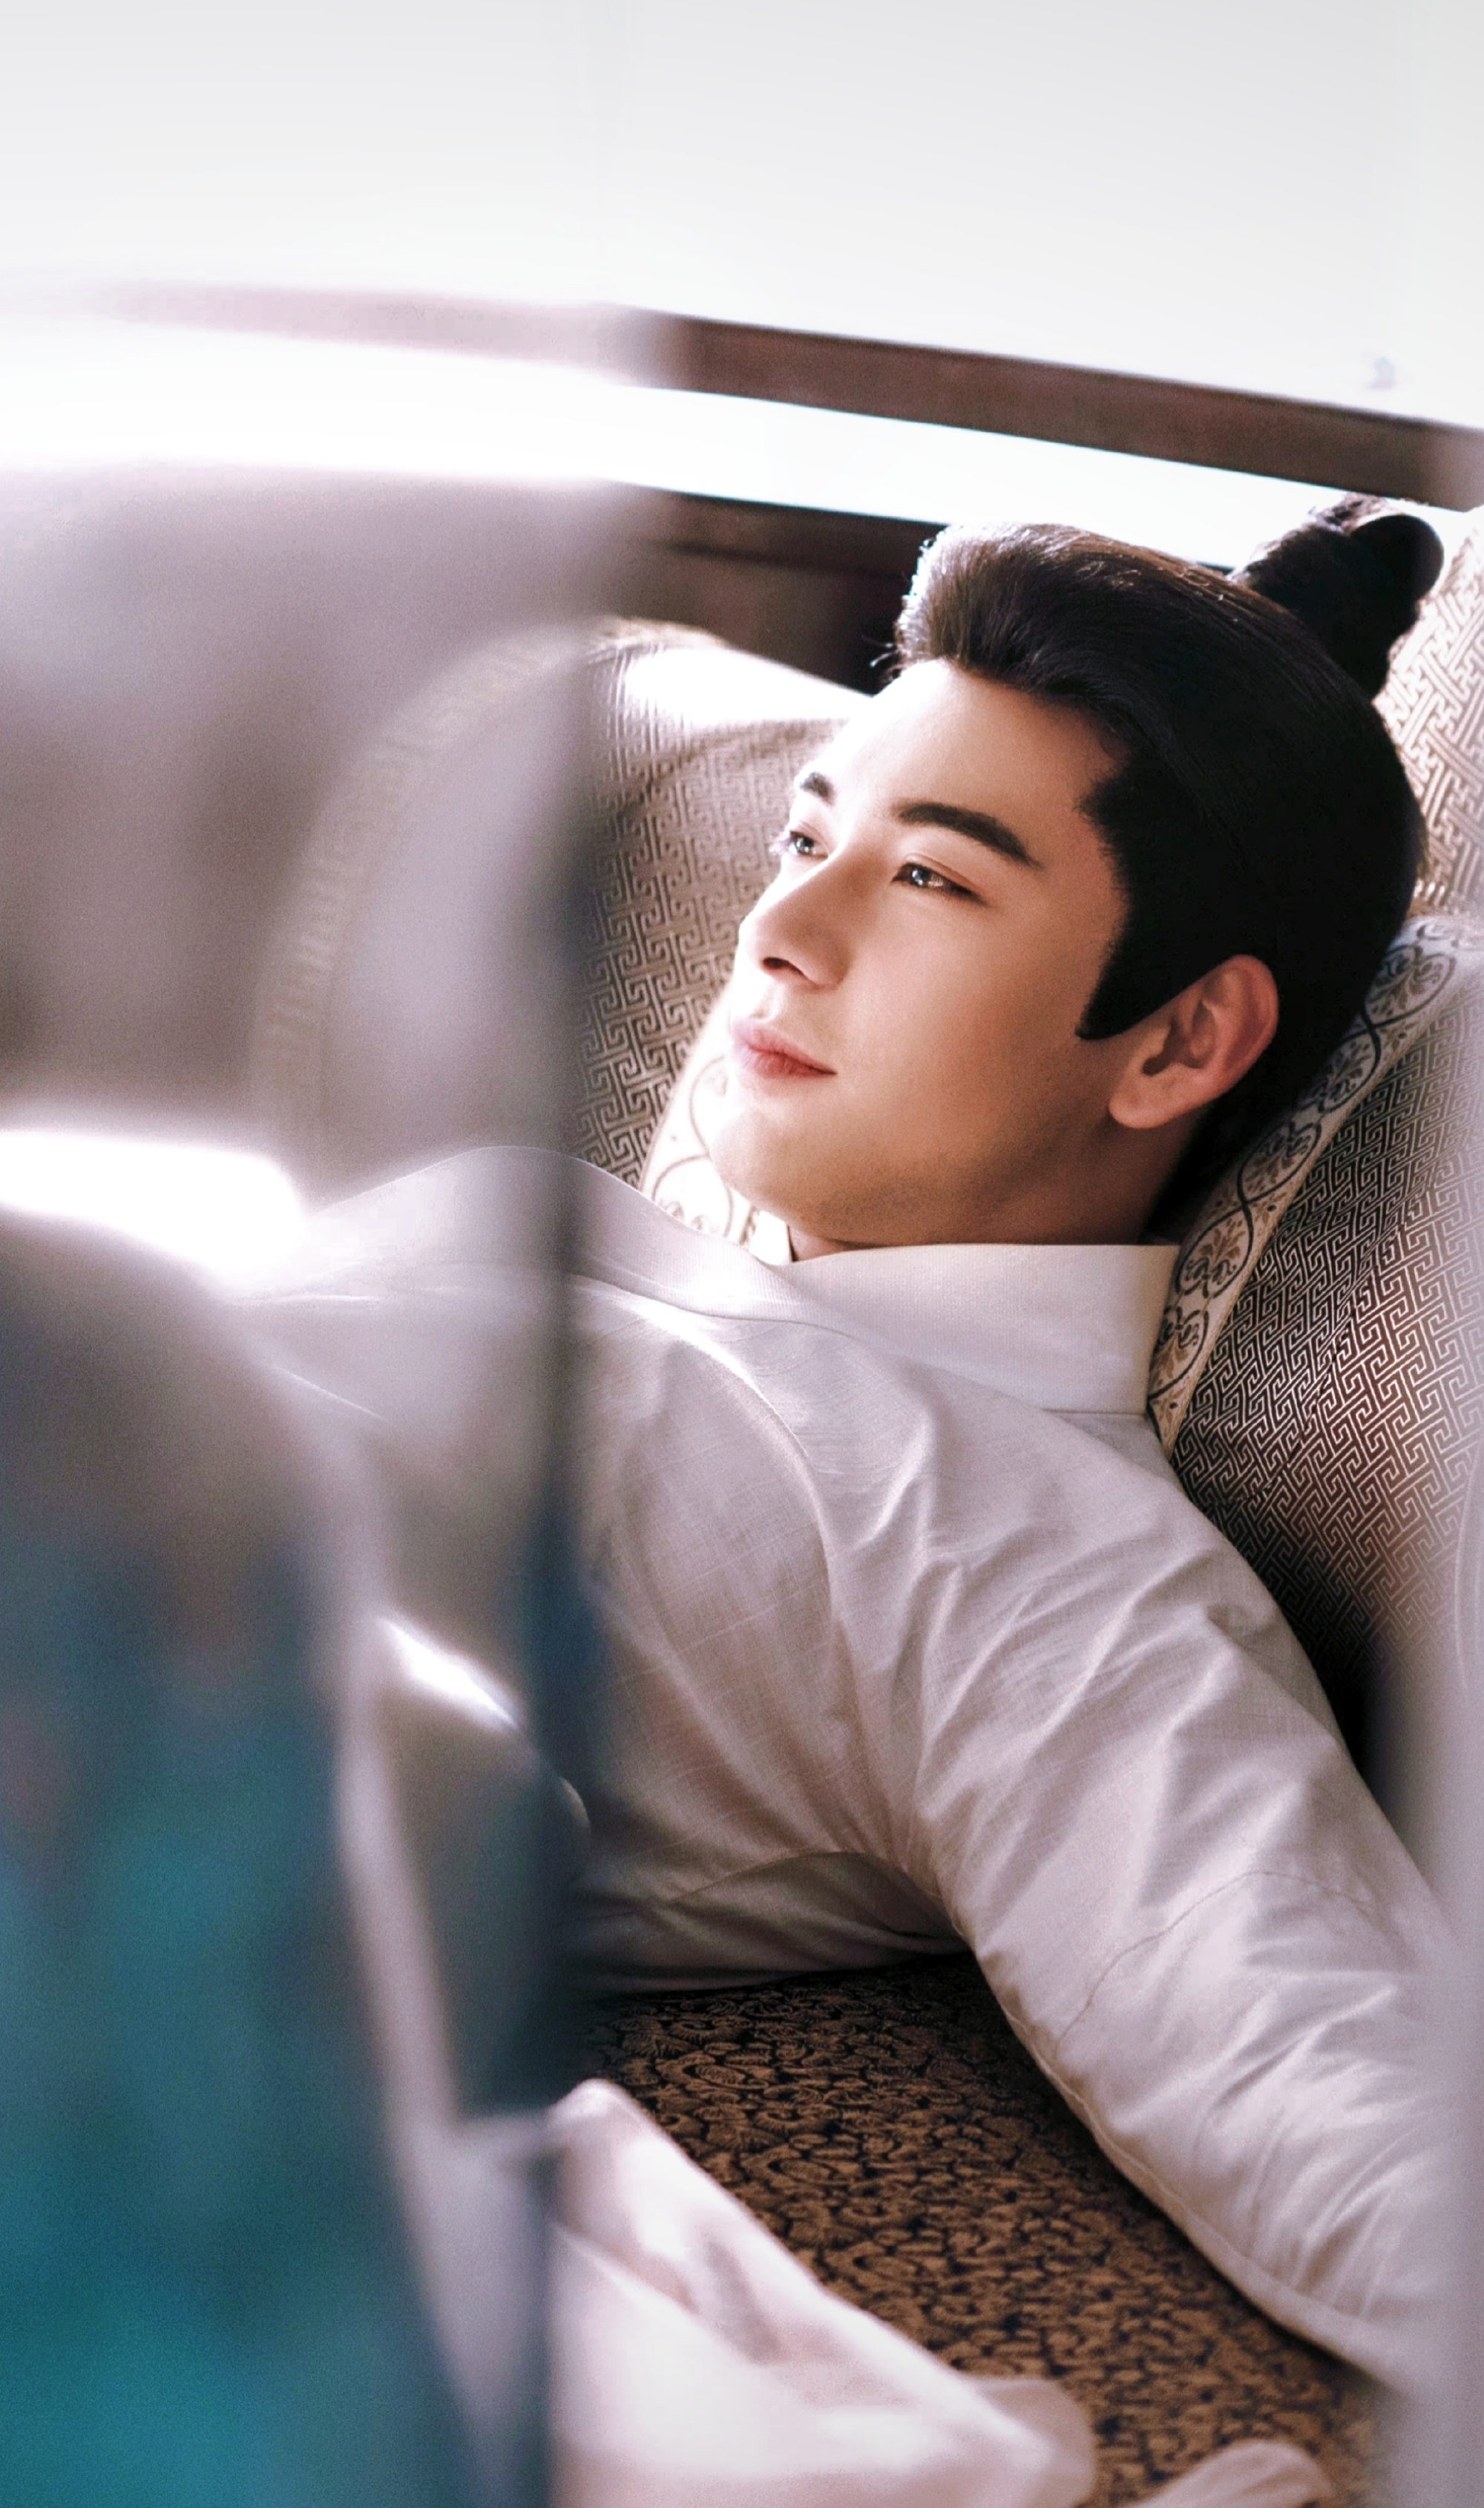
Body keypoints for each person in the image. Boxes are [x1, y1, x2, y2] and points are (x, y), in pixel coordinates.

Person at [260, 501, 1453, 2394]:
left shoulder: (1055, 1575)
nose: (781, 931)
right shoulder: (538, 1206)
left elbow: (1326, 2096)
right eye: (807, 839)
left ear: (1175, 1042)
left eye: (929, 881)